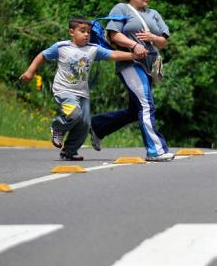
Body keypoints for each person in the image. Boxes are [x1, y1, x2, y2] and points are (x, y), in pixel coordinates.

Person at [20, 17, 138, 161]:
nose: (86, 34)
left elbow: (113, 54)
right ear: (71, 32)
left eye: (88, 32)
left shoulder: (93, 49)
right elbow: (42, 56)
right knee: (74, 114)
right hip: (63, 90)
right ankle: (58, 127)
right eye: (82, 31)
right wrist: (30, 71)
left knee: (84, 124)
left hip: (83, 93)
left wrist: (134, 55)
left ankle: (69, 151)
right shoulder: (61, 47)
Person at [90, 0, 175, 162]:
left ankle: (97, 126)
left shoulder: (153, 14)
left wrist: (153, 37)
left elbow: (164, 41)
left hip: (149, 65)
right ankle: (155, 150)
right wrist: (134, 45)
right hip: (130, 64)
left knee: (134, 110)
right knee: (146, 105)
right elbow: (114, 33)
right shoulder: (121, 9)